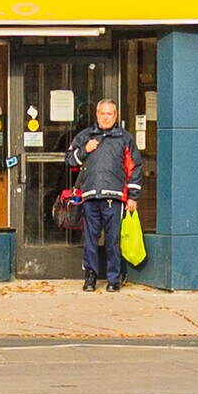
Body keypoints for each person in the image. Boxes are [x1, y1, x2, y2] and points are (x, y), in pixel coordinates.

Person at [66, 98, 139, 291]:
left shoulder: (125, 138)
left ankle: (113, 279)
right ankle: (90, 277)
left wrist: (133, 196)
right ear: (97, 115)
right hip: (90, 196)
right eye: (102, 114)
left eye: (109, 114)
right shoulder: (85, 136)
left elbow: (134, 167)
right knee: (90, 239)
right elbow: (69, 160)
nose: (106, 117)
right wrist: (85, 150)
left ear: (115, 116)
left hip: (114, 198)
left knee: (113, 240)